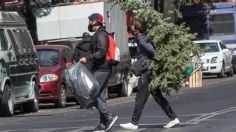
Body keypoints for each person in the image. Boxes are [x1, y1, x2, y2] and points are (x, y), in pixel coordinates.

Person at [120, 21, 180, 130]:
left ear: (137, 30)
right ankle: (173, 118)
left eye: (132, 29)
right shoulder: (143, 37)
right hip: (150, 71)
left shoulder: (142, 39)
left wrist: (145, 64)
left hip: (147, 72)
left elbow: (153, 52)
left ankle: (134, 123)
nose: (131, 30)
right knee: (158, 97)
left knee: (140, 98)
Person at [79, 13, 118, 132]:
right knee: (100, 96)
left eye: (90, 21)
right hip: (101, 67)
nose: (88, 24)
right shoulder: (99, 33)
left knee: (93, 94)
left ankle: (109, 116)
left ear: (95, 21)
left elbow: (102, 51)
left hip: (103, 68)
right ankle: (103, 123)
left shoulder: (101, 34)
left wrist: (88, 58)